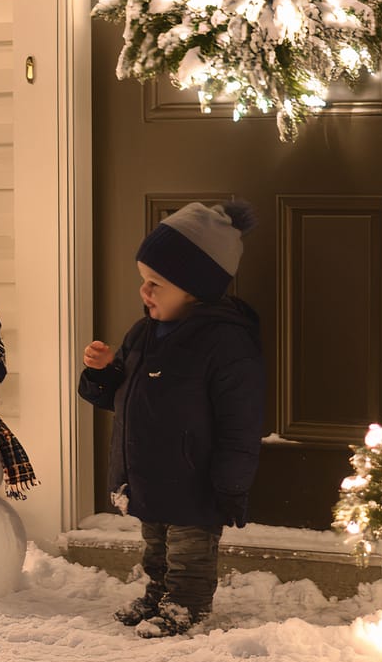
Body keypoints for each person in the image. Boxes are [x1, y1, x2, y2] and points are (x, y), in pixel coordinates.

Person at [79, 200, 264, 638]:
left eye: (155, 284)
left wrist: (231, 484)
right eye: (144, 281)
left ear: (194, 287)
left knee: (190, 550)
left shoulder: (225, 342)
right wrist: (101, 372)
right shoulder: (143, 332)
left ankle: (186, 604)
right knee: (156, 545)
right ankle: (159, 592)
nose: (144, 292)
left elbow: (241, 418)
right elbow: (116, 396)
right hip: (148, 471)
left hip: (196, 477)